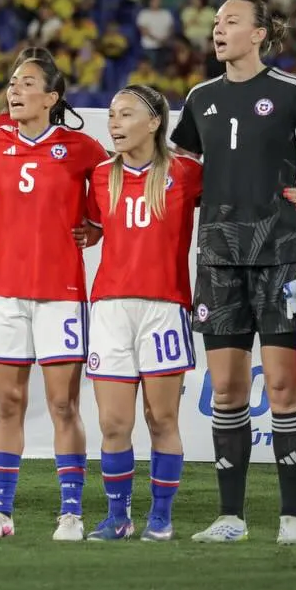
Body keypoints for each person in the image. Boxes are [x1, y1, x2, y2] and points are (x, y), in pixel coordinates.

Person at [171, 0, 296, 546]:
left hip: (281, 258)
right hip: (217, 258)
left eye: (231, 21)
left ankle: (291, 518)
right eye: (216, 22)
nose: (219, 30)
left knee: (286, 388)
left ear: (260, 33)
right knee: (226, 390)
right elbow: (182, 180)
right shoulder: (198, 99)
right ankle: (231, 517)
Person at [0, 49, 108, 541]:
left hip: (60, 293)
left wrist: (90, 231)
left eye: (27, 83)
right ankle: (0, 513)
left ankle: (70, 513)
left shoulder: (82, 148)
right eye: (12, 82)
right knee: (7, 402)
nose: (15, 89)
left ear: (52, 98)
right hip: (5, 294)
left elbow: (106, 206)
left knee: (63, 405)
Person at [83, 85, 202, 541]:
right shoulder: (98, 176)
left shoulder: (187, 173)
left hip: (164, 307)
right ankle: (118, 516)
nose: (114, 122)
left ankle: (161, 515)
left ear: (154, 123)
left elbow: (238, 189)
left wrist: (287, 189)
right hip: (111, 308)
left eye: (126, 114)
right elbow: (89, 228)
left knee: (161, 419)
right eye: (112, 114)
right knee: (114, 423)